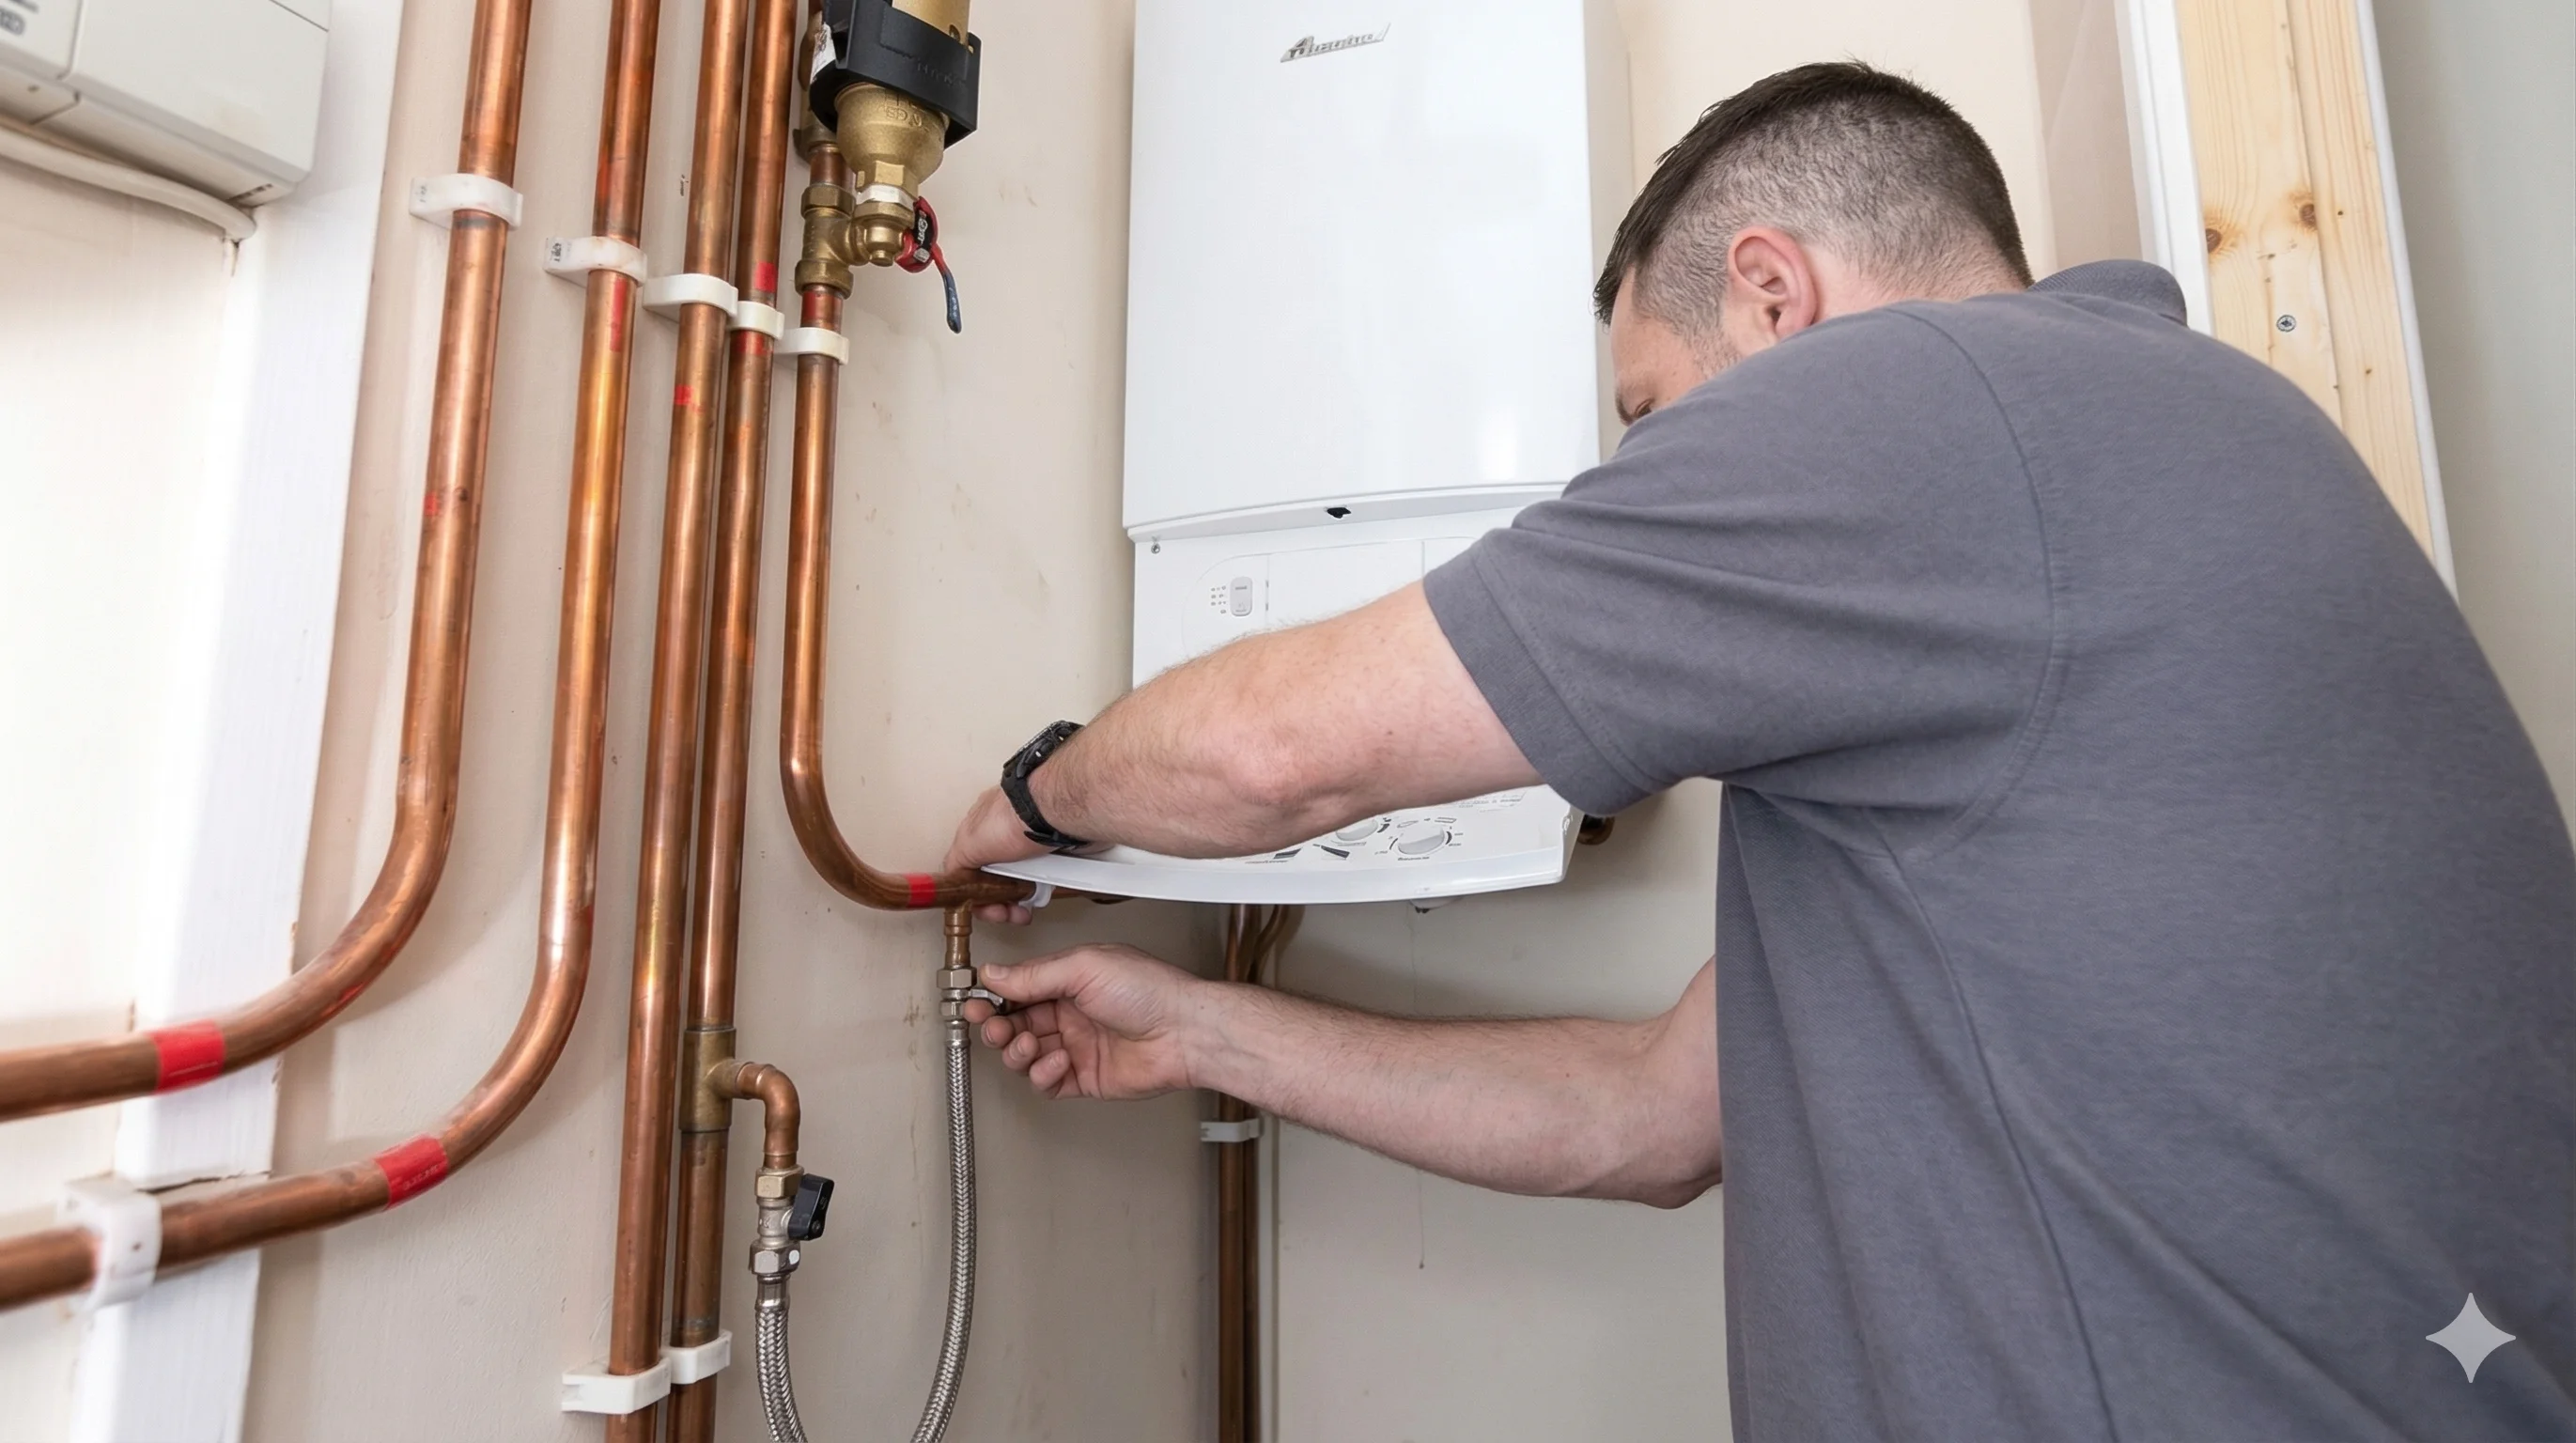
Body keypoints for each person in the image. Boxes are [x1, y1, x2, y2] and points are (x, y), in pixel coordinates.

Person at [942, 62, 2575, 1440]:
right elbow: (1652, 1122)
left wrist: (1028, 800)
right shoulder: (2156, 455)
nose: (1662, 468)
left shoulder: (1928, 403)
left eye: (1652, 415)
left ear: (1774, 293)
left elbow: (1275, 755)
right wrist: (1200, 1030)